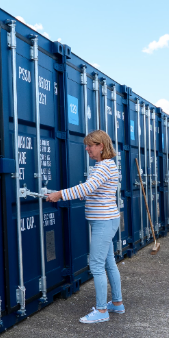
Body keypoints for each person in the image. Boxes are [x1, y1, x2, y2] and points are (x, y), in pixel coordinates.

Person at [46, 130, 125, 323]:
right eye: (87, 145)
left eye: (91, 145)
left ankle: (101, 311)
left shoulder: (103, 166)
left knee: (96, 265)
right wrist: (80, 194)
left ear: (101, 146)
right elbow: (95, 191)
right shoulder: (105, 165)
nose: (87, 149)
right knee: (108, 262)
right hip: (107, 220)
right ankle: (116, 304)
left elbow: (87, 188)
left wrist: (60, 194)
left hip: (103, 222)